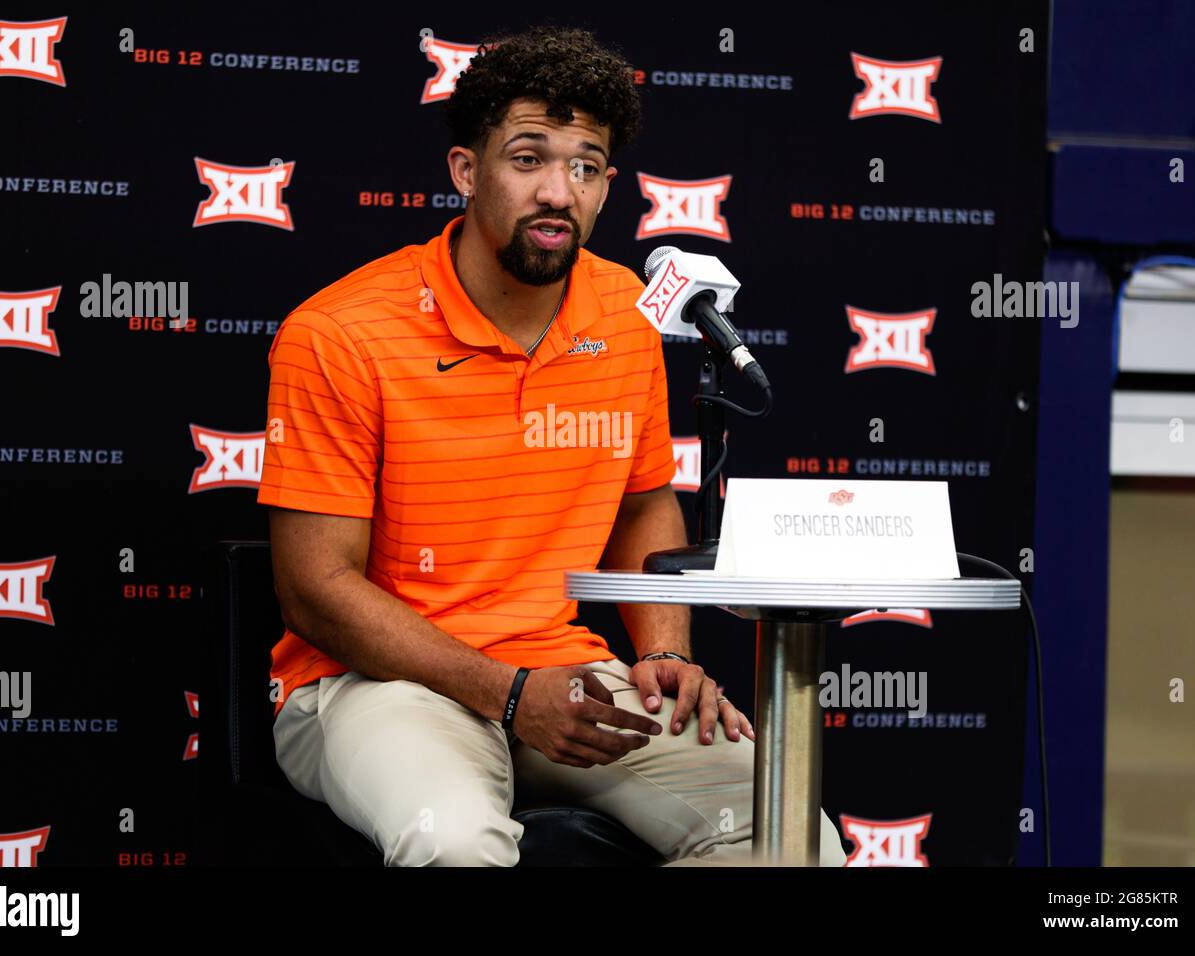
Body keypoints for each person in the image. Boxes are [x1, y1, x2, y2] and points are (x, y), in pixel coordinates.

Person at [257, 24, 846, 867]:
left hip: (560, 673)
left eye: (586, 166)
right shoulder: (342, 332)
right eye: (527, 158)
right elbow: (314, 590)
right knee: (454, 843)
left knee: (794, 837)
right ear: (466, 170)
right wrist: (509, 696)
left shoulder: (626, 315)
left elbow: (644, 501)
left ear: (609, 186)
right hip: (374, 687)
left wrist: (666, 652)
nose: (558, 192)